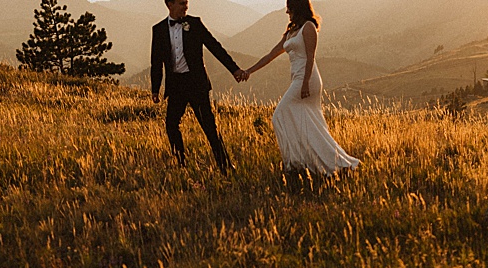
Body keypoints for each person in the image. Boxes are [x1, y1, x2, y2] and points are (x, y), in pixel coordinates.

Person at [238, 0, 361, 174]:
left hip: (307, 79)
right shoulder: (291, 32)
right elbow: (271, 55)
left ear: (298, 7)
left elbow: (310, 57)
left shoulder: (308, 27)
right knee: (309, 124)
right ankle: (318, 162)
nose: (287, 12)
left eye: (290, 8)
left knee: (279, 116)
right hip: (297, 79)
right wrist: (249, 71)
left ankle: (294, 163)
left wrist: (305, 84)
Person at [150, 0, 245, 170]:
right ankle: (180, 164)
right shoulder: (158, 30)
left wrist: (234, 69)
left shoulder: (195, 24)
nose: (186, 7)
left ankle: (225, 166)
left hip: (196, 84)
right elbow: (156, 62)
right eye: (181, 3)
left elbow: (215, 47)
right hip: (176, 86)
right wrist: (155, 89)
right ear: (169, 4)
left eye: (186, 3)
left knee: (209, 126)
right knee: (171, 125)